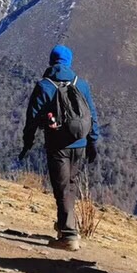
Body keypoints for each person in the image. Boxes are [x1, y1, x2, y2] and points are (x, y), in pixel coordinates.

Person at [19, 45, 101, 249]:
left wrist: (27, 141)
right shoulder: (81, 84)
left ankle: (69, 235)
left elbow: (32, 119)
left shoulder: (45, 86)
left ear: (51, 61)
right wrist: (93, 141)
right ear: (69, 62)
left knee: (61, 188)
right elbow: (92, 114)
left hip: (58, 144)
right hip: (80, 143)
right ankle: (65, 226)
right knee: (70, 185)